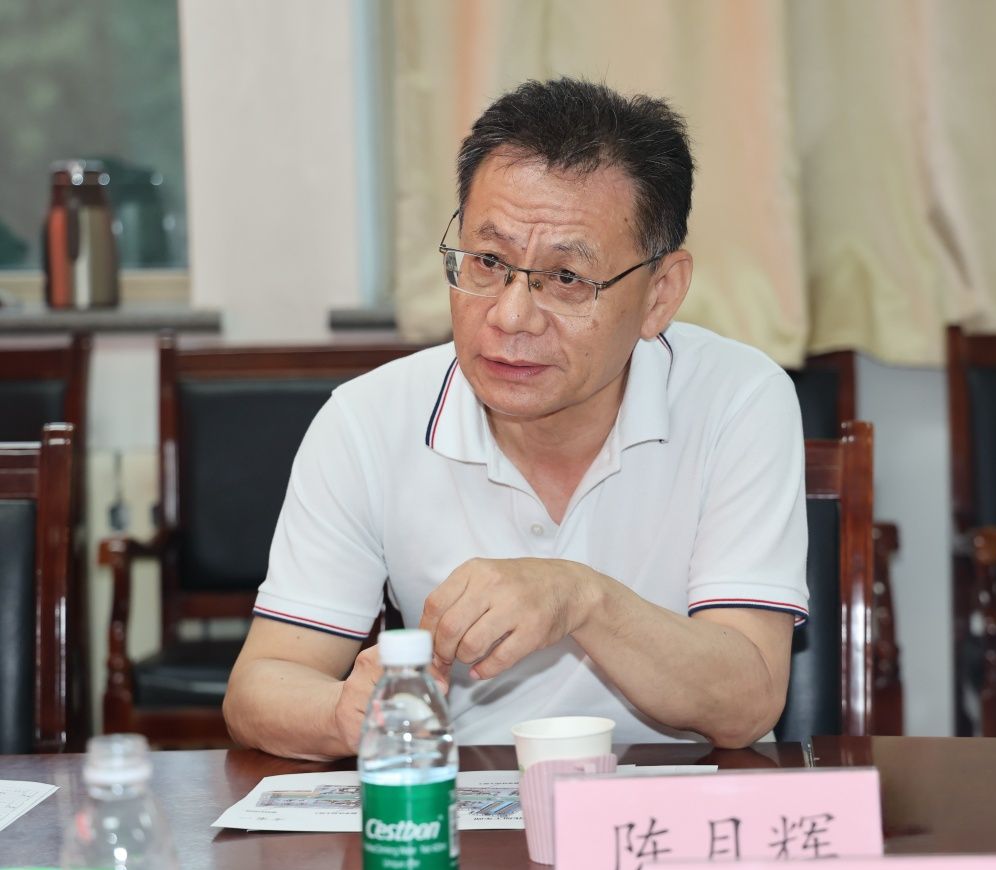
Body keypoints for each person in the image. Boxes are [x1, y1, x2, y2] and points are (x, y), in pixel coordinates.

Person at [223, 77, 808, 761]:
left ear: (660, 295)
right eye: (488, 262)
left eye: (567, 278)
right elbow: (261, 685)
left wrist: (580, 598)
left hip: (679, 802)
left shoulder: (738, 399)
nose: (510, 316)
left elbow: (748, 699)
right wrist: (343, 713)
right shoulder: (368, 420)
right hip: (464, 801)